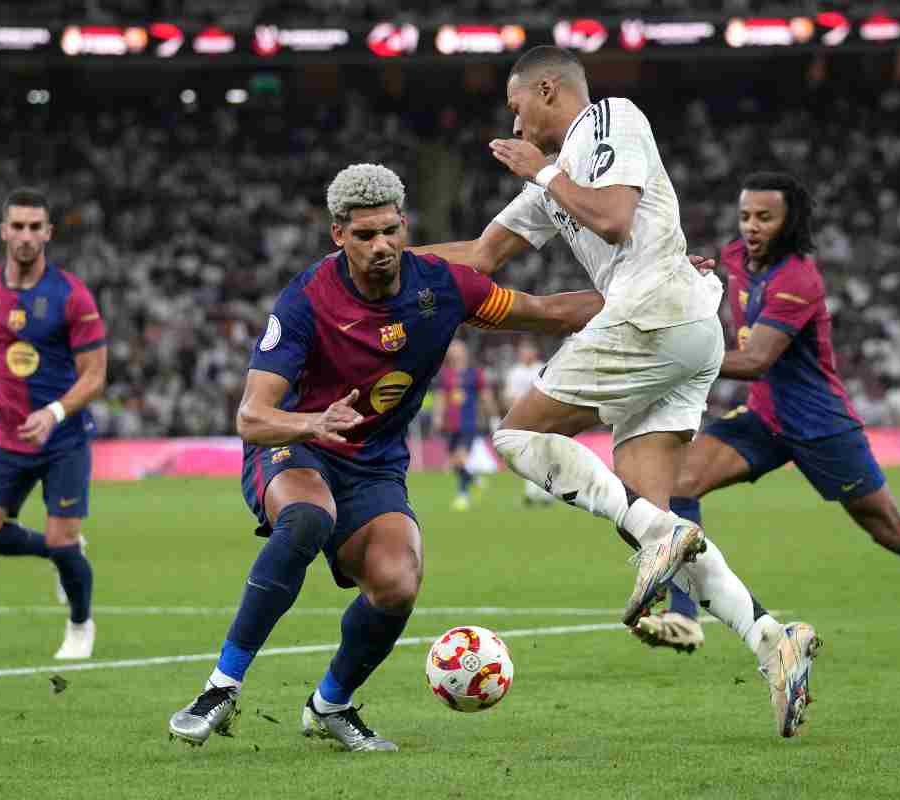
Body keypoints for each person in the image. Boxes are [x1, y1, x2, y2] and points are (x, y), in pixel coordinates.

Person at [414, 46, 820, 738]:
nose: (512, 119)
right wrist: (386, 261)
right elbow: (482, 258)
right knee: (648, 511)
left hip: (653, 312)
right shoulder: (556, 179)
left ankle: (660, 536)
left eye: (517, 104)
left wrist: (540, 169)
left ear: (549, 90)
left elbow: (613, 219)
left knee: (516, 435)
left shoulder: (609, 119)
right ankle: (773, 641)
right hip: (679, 332)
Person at [168, 163, 605, 751]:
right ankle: (221, 687)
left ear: (405, 225)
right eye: (365, 235)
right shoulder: (307, 299)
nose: (381, 246)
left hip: (372, 463)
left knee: (397, 583)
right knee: (307, 517)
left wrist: (656, 290)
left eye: (390, 231)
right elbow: (252, 415)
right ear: (338, 236)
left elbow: (547, 312)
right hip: (294, 442)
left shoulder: (442, 287)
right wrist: (312, 422)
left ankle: (331, 705)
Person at [634, 172, 900, 670]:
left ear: (789, 221)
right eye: (746, 216)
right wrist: (689, 272)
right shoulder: (735, 257)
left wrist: (676, 358)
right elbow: (709, 279)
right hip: (764, 417)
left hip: (821, 426)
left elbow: (756, 361)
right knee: (678, 483)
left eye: (765, 218)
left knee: (889, 528)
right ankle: (684, 616)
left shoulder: (799, 279)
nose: (751, 226)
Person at [0, 187, 106, 660]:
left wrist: (55, 412)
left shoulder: (71, 295)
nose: (25, 235)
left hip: (63, 439)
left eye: (34, 226)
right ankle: (63, 552)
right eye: (16, 226)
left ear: (48, 233)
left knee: (62, 535)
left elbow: (96, 376)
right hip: (8, 439)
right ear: (3, 231)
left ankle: (80, 625)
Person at [431, 338, 499, 511]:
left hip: (469, 423)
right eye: (453, 348)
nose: (455, 351)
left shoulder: (475, 373)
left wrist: (493, 417)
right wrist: (437, 417)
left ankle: (463, 496)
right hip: (449, 424)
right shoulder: (444, 374)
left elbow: (485, 396)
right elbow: (440, 397)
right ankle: (474, 479)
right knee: (455, 463)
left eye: (458, 348)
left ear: (465, 352)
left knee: (461, 458)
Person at [501, 339, 554, 506]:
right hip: (523, 418)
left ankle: (546, 493)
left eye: (528, 350)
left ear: (535, 352)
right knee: (528, 455)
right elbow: (509, 396)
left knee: (544, 455)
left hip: (542, 416)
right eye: (523, 350)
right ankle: (531, 493)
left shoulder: (543, 368)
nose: (525, 353)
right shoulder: (515, 372)